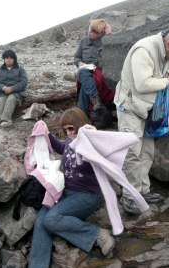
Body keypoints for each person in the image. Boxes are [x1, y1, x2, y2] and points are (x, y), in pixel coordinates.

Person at [114, 27, 169, 214]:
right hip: (130, 107)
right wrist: (167, 83)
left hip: (149, 109)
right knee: (132, 152)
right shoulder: (144, 50)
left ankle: (143, 190)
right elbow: (142, 84)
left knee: (147, 151)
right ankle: (129, 196)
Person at [29, 107, 115, 268]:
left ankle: (97, 234)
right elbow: (63, 148)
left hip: (87, 196)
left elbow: (104, 152)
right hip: (66, 191)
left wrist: (95, 135)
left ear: (80, 125)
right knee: (42, 220)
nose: (68, 133)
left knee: (51, 219)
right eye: (65, 129)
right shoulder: (70, 140)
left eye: (71, 128)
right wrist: (46, 133)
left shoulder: (90, 143)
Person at [74, 19, 115, 126]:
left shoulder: (105, 41)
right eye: (90, 29)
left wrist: (109, 36)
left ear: (101, 34)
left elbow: (112, 55)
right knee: (83, 72)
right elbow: (77, 57)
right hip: (85, 70)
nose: (90, 32)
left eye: (94, 31)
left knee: (85, 87)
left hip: (99, 71)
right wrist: (79, 63)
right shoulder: (83, 41)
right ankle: (95, 101)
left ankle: (82, 115)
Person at [0, 50, 28, 127]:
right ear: (4, 59)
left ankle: (6, 120)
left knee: (11, 99)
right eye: (6, 58)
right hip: (2, 92)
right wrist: (3, 88)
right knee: (0, 100)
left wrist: (12, 88)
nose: (8, 59)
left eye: (11, 58)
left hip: (16, 92)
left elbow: (24, 82)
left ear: (14, 59)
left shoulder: (20, 68)